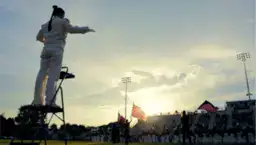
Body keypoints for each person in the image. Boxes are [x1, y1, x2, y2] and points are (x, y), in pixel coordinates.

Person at [32, 5, 95, 107]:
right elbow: (72, 29)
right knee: (52, 76)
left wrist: (47, 42)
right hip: (56, 51)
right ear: (61, 14)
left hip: (45, 51)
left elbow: (38, 37)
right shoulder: (62, 21)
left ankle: (37, 102)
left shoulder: (45, 25)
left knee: (41, 75)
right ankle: (50, 102)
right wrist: (86, 29)